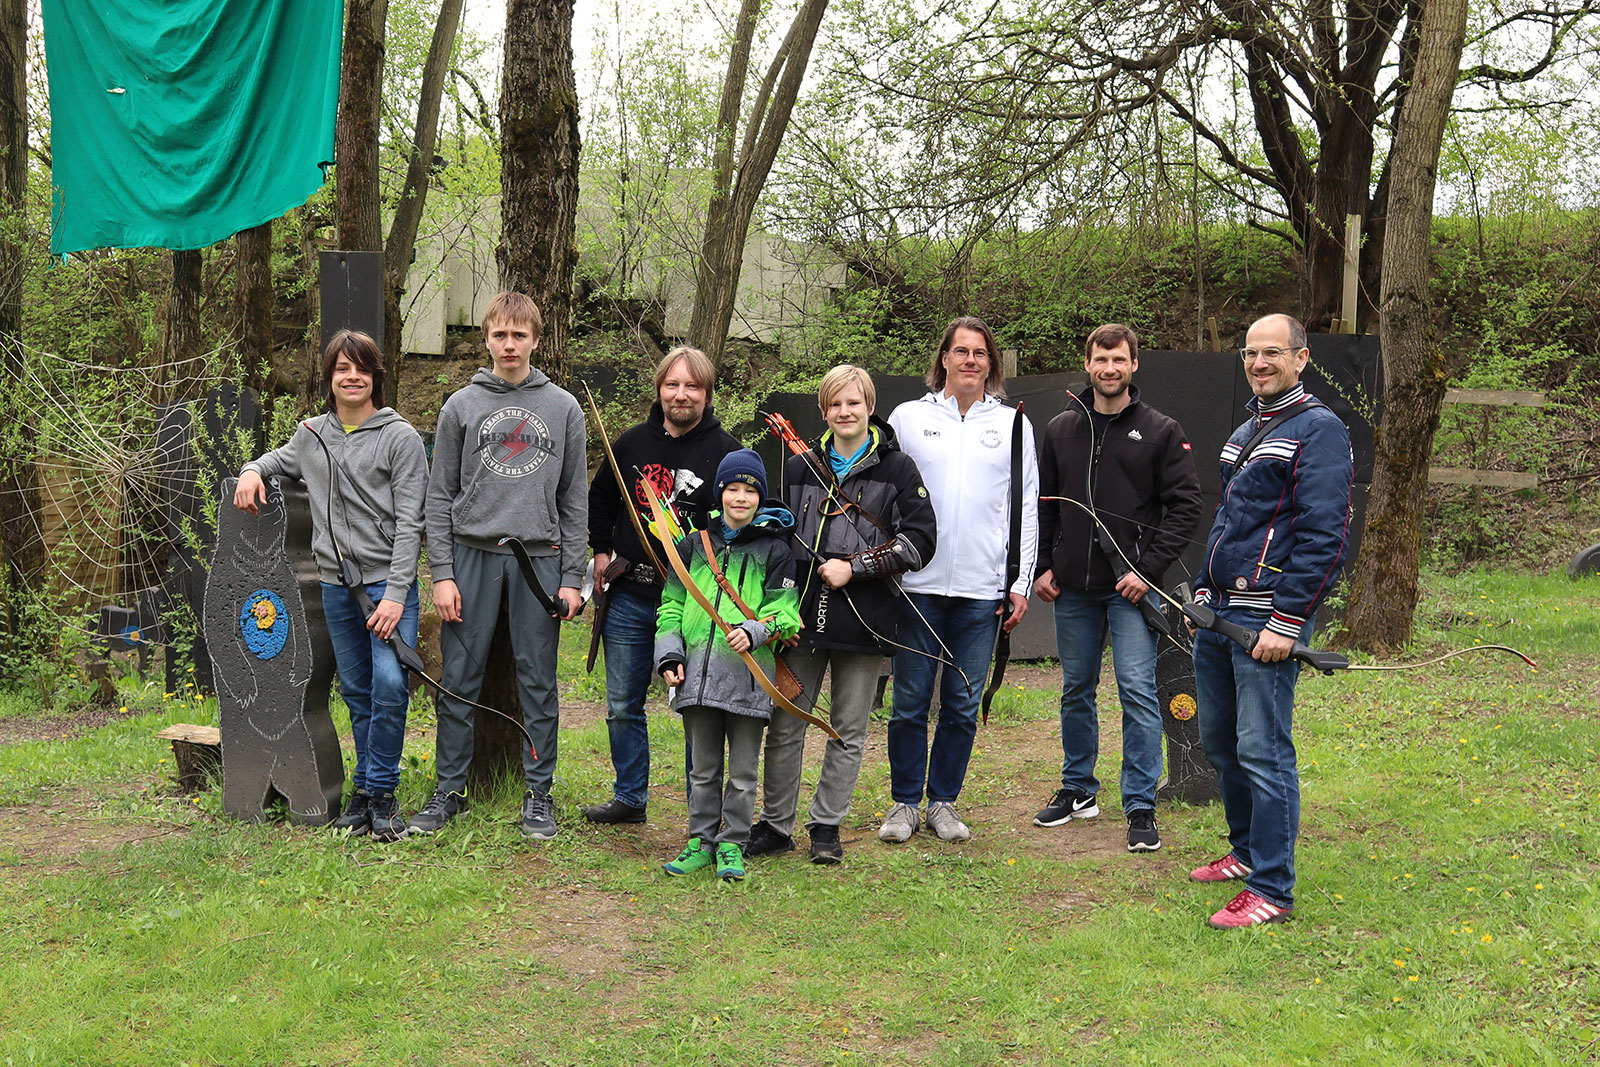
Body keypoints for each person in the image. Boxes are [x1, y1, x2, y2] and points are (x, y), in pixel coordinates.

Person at [1189, 313, 1353, 928]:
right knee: (1219, 741)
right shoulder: (1246, 430)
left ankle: (1273, 889)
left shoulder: (1320, 431)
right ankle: (1246, 851)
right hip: (1221, 613)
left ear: (1301, 358)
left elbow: (1325, 536)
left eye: (1273, 353)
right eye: (1251, 353)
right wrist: (1203, 590)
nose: (1259, 363)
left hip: (1267, 618)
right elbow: (1228, 521)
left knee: (1263, 749)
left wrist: (1287, 620)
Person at [233, 329, 428, 842]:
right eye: (343, 368)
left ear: (376, 377)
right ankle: (367, 793)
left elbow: (413, 524)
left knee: (391, 685)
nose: (352, 377)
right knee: (359, 691)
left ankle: (381, 793)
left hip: (387, 586)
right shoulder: (312, 436)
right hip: (336, 588)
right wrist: (251, 470)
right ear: (329, 378)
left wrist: (396, 596)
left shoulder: (400, 438)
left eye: (361, 368)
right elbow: (276, 461)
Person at [409, 292, 587, 840]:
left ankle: (538, 793)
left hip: (539, 560)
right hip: (472, 555)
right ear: (485, 339)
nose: (509, 345)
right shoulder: (460, 407)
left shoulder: (563, 408)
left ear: (535, 340)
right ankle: (449, 790)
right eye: (500, 335)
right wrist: (442, 573)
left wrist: (573, 577)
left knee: (538, 681)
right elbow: (439, 496)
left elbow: (573, 499)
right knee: (459, 680)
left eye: (519, 335)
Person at [749, 365, 937, 863]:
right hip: (800, 617)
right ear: (823, 410)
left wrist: (855, 567)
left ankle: (826, 826)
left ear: (869, 407)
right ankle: (775, 825)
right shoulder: (800, 467)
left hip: (867, 615)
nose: (845, 412)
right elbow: (779, 543)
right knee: (787, 720)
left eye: (853, 403)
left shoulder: (898, 469)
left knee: (848, 727)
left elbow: (920, 542)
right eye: (835, 404)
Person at [1033, 324, 1202, 852]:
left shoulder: (1161, 430)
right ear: (1087, 364)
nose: (1110, 368)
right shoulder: (1060, 429)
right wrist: (1043, 565)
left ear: (1134, 365)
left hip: (1132, 590)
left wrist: (1145, 571)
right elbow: (1045, 506)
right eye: (1101, 359)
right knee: (1075, 690)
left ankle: (1140, 805)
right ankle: (1078, 789)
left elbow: (1186, 507)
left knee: (1136, 691)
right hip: (1073, 589)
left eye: (1119, 360)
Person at [880, 316, 1038, 843]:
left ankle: (943, 803)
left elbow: (1025, 509)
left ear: (991, 364)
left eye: (980, 353)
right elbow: (884, 496)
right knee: (909, 703)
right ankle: (904, 804)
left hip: (981, 593)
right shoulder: (907, 418)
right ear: (944, 358)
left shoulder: (1014, 425)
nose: (970, 360)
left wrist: (1020, 582)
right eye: (961, 351)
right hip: (917, 588)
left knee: (962, 706)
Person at [582, 347, 740, 825]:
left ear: (707, 393)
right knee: (622, 704)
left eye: (692, 386)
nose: (681, 394)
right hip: (631, 594)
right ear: (659, 389)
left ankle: (702, 810)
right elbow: (601, 500)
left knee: (698, 709)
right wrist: (601, 551)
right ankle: (630, 798)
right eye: (673, 385)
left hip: (694, 602)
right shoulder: (630, 445)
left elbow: (743, 520)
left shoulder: (728, 452)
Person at [655, 450, 801, 881]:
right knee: (702, 769)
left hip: (749, 679)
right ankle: (700, 842)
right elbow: (671, 606)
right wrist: (669, 654)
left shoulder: (776, 550)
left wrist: (755, 631)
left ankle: (733, 843)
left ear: (761, 497)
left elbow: (787, 613)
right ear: (719, 493)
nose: (740, 498)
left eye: (750, 491)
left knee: (742, 772)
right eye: (732, 489)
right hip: (697, 679)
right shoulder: (692, 545)